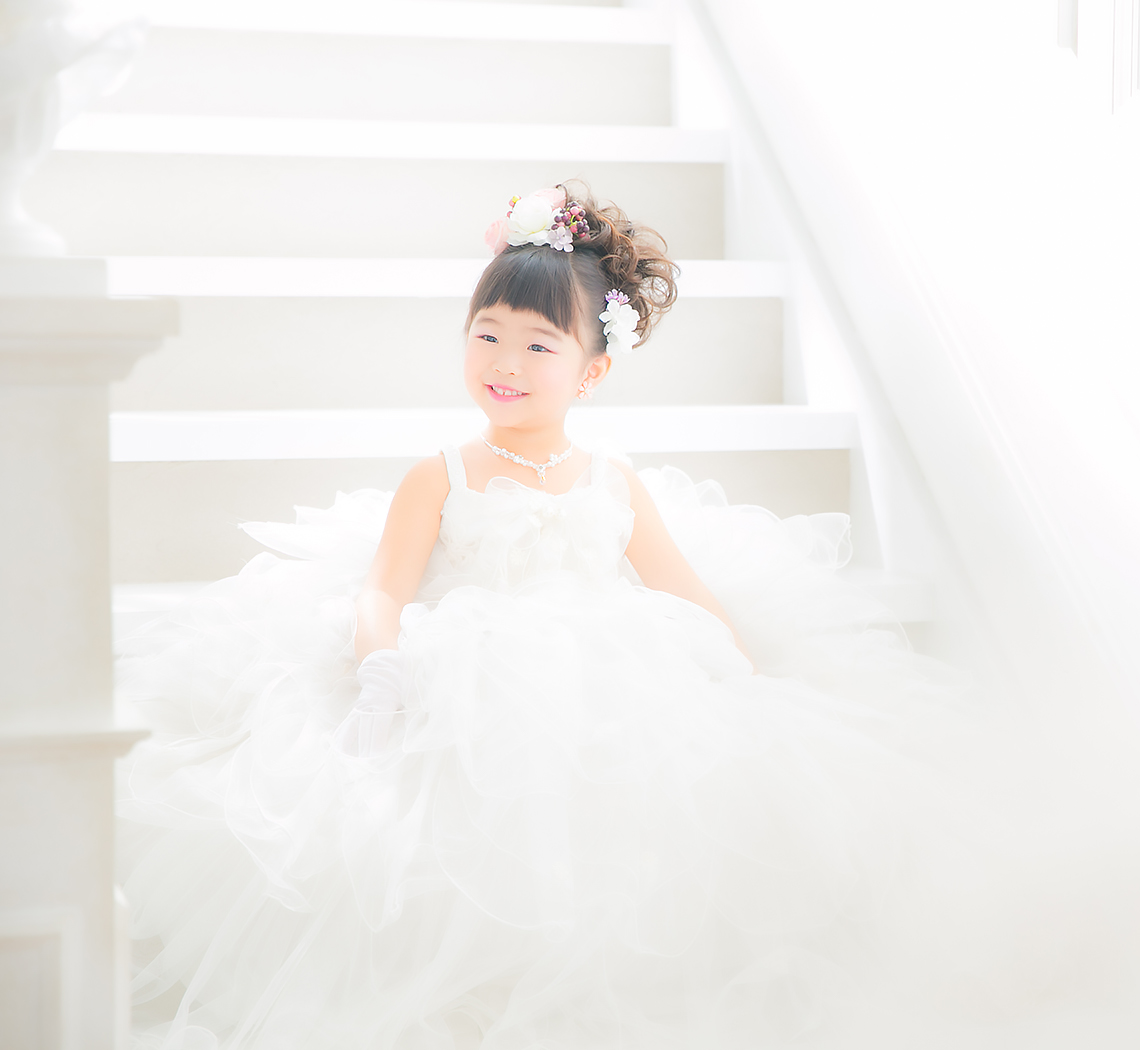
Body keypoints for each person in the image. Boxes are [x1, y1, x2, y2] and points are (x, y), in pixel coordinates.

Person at [116, 183, 972, 1049]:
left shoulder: (611, 480)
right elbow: (382, 589)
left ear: (591, 370)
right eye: (486, 334)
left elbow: (678, 585)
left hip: (597, 681)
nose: (505, 363)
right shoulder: (441, 474)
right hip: (463, 674)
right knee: (442, 819)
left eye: (538, 344)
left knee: (634, 808)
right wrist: (381, 668)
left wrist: (743, 670)